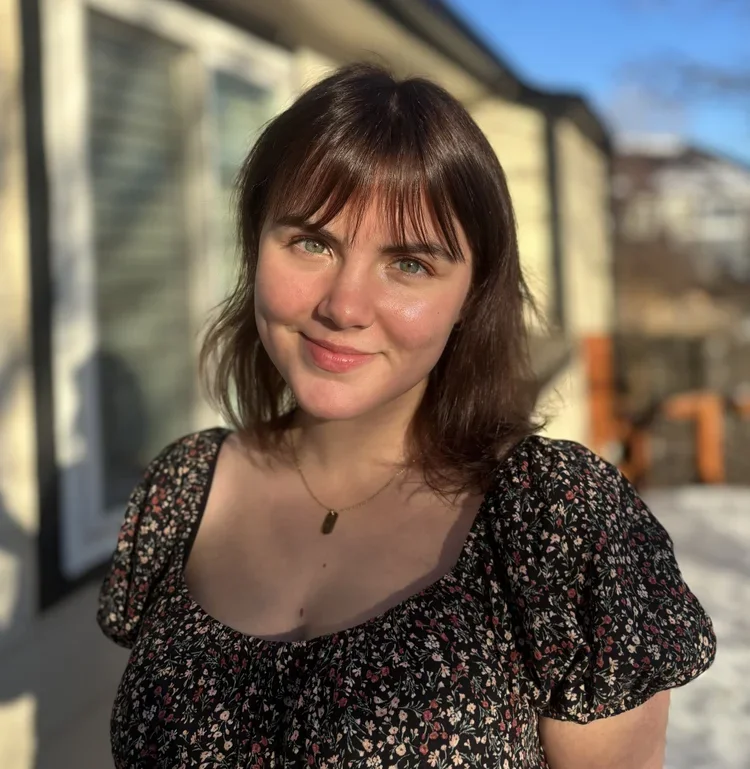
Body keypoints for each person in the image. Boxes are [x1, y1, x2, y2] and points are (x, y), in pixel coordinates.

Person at [97, 63, 716, 769]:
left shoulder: (556, 519)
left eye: (410, 264)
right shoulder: (182, 490)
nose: (344, 306)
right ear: (254, 244)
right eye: (312, 242)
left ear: (471, 297)